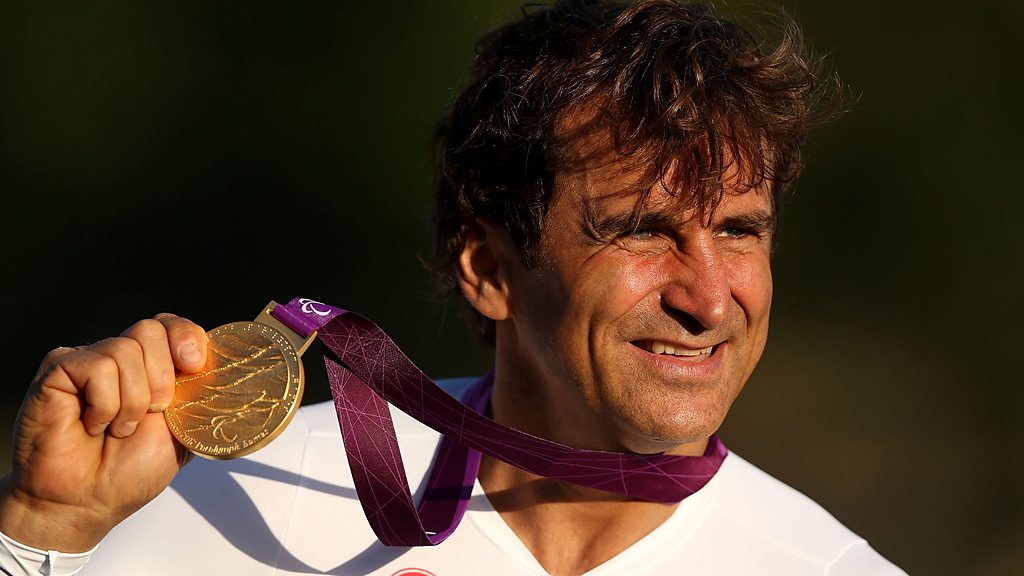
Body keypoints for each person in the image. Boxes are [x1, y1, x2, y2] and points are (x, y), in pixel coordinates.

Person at [0, 1, 907, 574]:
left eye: (739, 230)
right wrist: (44, 529)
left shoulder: (826, 567)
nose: (708, 300)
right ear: (489, 270)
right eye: (641, 230)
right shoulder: (246, 494)